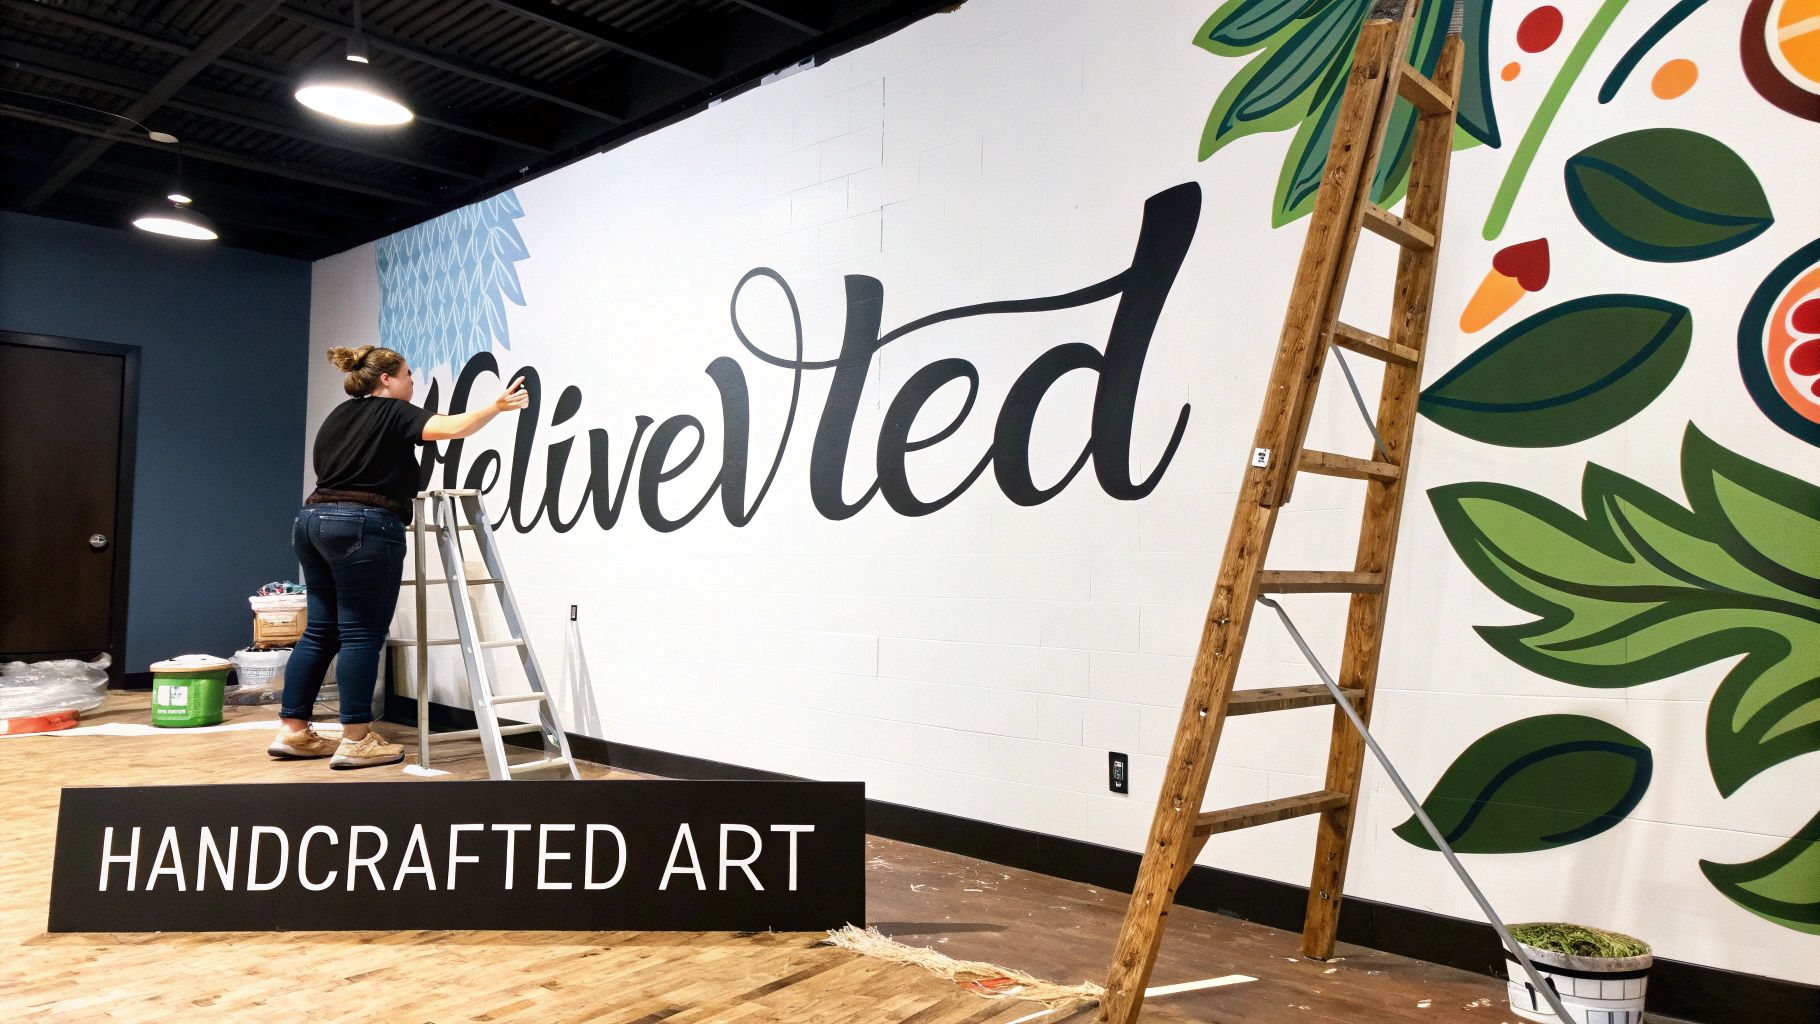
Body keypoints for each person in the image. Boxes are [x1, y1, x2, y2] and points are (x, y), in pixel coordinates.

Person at [267, 345, 528, 769]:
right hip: (364, 524)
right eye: (407, 374)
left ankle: (293, 731)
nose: (412, 382)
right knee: (362, 634)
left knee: (320, 632)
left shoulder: (338, 415)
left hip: (311, 521)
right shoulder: (393, 410)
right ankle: (356, 738)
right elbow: (451, 428)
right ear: (386, 379)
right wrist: (496, 406)